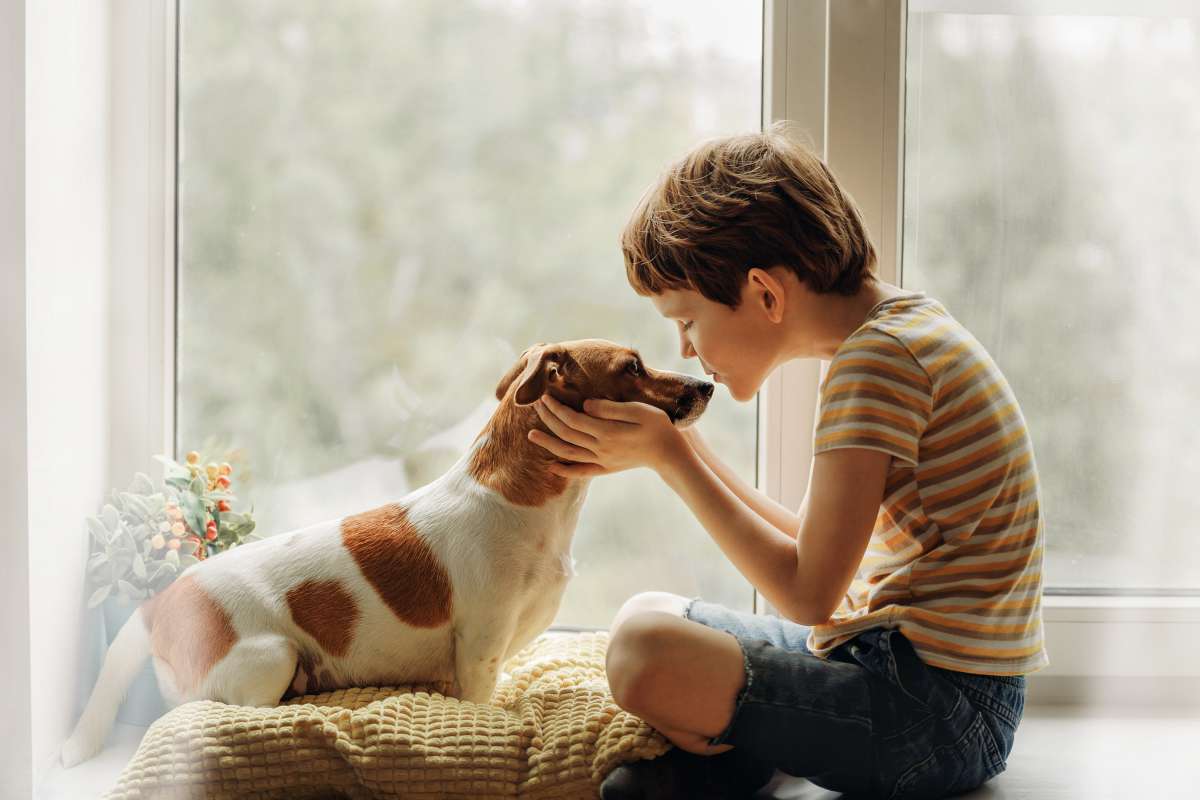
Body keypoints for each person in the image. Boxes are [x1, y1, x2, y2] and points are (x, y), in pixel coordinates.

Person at [527, 121, 1048, 800]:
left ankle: (736, 752)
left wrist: (672, 461)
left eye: (685, 321)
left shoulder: (879, 364)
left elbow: (807, 595)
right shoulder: (897, 334)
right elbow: (814, 551)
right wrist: (679, 446)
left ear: (765, 294)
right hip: (904, 669)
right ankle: (747, 751)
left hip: (937, 714)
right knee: (649, 612)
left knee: (641, 651)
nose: (685, 351)